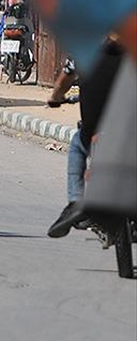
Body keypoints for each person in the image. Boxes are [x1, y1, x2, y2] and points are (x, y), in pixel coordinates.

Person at [47, 38, 126, 237]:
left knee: (77, 146)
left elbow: (64, 81)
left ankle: (75, 201)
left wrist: (55, 97)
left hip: (94, 129)